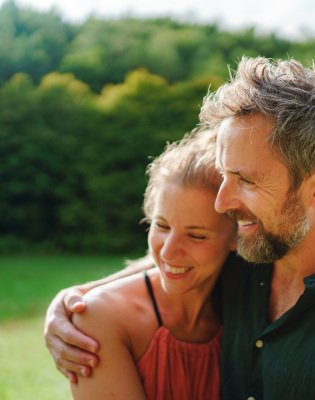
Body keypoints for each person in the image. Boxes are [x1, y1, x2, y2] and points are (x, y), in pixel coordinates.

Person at [45, 57, 315, 399]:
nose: (222, 202)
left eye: (248, 180)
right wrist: (76, 298)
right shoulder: (248, 251)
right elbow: (175, 259)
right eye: (224, 175)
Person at [67, 129, 237, 399]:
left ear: (238, 236)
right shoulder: (101, 315)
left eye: (196, 235)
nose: (168, 252)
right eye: (161, 225)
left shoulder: (246, 307)